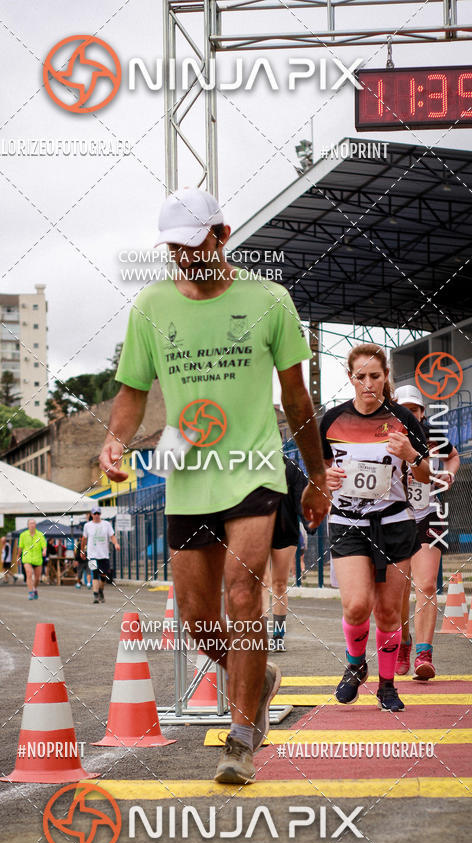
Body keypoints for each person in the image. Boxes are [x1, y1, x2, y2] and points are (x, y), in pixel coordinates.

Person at [99, 187, 330, 784]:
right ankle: (257, 676)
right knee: (199, 621)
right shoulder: (151, 306)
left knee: (243, 593)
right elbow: (132, 391)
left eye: (192, 245)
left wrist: (316, 475)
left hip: (255, 468)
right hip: (189, 475)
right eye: (173, 249)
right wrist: (116, 441)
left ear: (222, 236)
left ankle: (242, 735)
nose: (183, 257)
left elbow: (296, 396)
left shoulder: (269, 300)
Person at [321, 343, 431, 712]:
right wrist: (325, 478)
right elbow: (320, 473)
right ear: (350, 378)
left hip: (395, 523)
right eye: (360, 376)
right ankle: (355, 665)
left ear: (386, 377)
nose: (368, 383)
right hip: (347, 522)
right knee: (356, 605)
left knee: (387, 612)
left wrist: (411, 455)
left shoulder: (404, 419)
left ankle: (387, 685)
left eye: (375, 376)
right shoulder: (331, 421)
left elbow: (425, 474)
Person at [394, 384, 460, 679]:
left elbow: (453, 456)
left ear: (422, 412)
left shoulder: (433, 436)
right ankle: (403, 642)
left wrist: (449, 473)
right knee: (398, 590)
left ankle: (424, 655)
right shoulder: (384, 436)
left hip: (428, 514)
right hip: (395, 519)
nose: (410, 414)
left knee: (427, 585)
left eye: (415, 409)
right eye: (404, 409)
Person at [264, 455, 309, 652]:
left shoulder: (291, 467)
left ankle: (278, 636)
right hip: (257, 531)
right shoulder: (247, 463)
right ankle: (260, 636)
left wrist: (310, 522)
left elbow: (303, 499)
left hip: (285, 529)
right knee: (262, 582)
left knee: (280, 585)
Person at [80, 507, 120, 603]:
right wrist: (82, 551)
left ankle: (101, 591)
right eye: (95, 514)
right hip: (92, 555)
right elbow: (84, 539)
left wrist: (116, 544)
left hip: (104, 554)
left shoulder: (106, 524)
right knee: (94, 574)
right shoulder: (87, 526)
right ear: (92, 515)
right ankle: (95, 595)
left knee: (103, 575)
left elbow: (112, 536)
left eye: (98, 513)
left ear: (100, 514)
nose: (97, 515)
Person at [16, 519, 47, 600]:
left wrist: (44, 551)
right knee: (29, 574)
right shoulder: (23, 535)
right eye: (30, 523)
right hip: (27, 558)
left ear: (35, 525)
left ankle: (34, 589)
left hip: (37, 559)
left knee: (37, 578)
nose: (32, 525)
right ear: (28, 525)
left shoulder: (40, 534)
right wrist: (18, 557)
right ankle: (30, 592)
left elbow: (44, 545)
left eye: (33, 523)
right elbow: (20, 547)